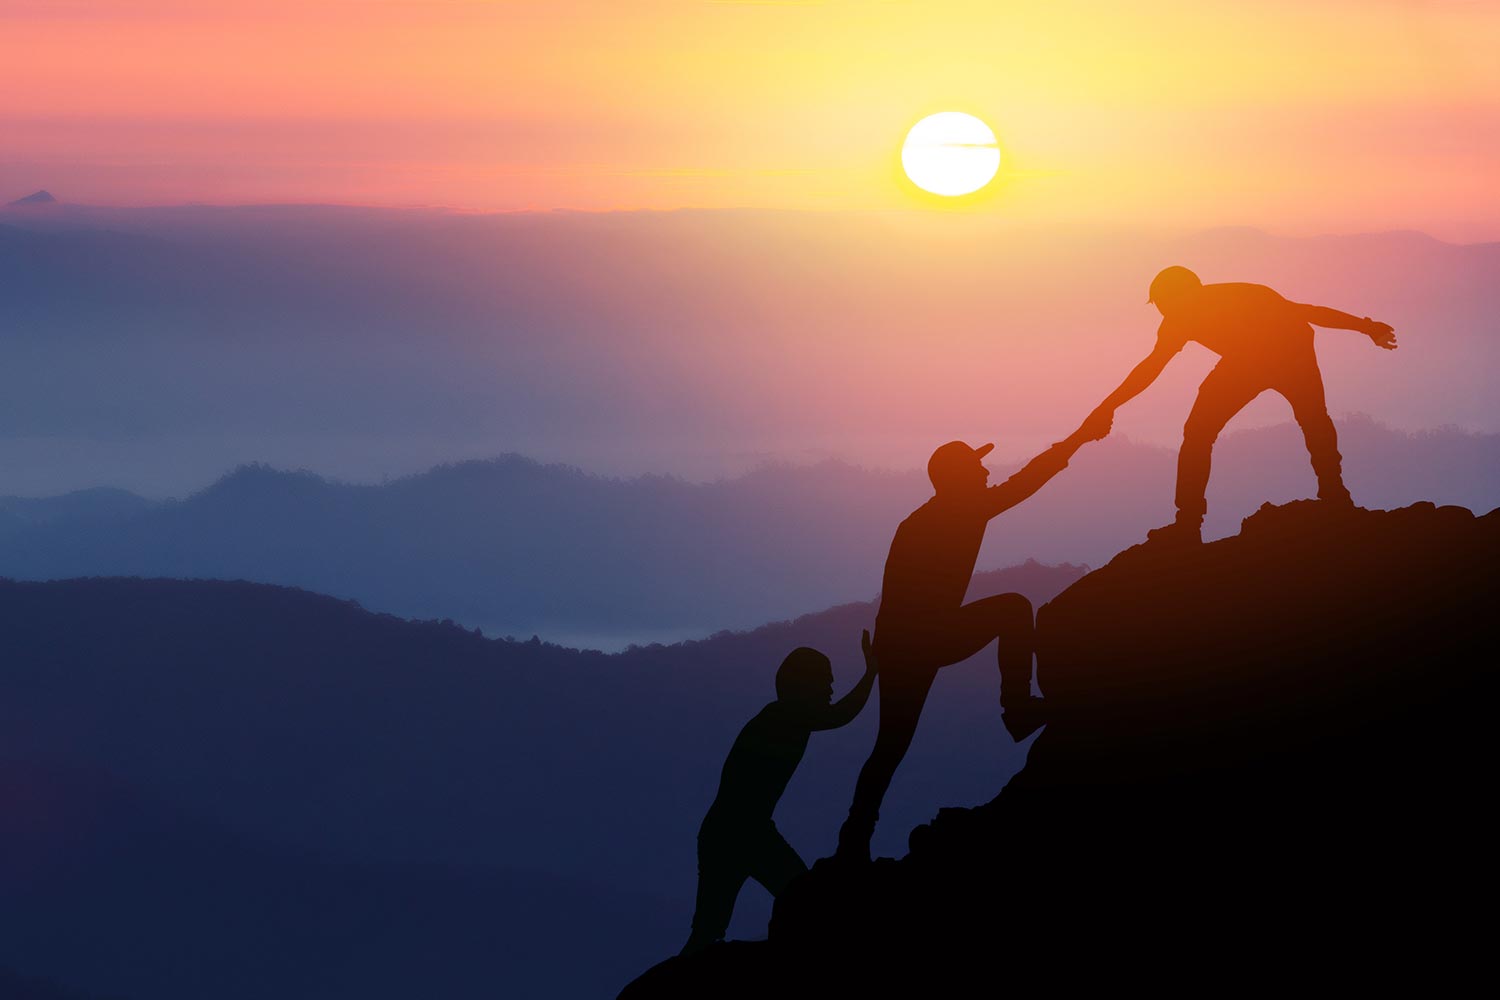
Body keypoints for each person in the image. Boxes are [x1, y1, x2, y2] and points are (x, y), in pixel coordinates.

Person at [836, 423, 1101, 862]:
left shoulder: (919, 520)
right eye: (977, 466)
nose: (985, 471)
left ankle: (853, 839)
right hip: (925, 638)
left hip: (902, 645)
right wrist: (1076, 441)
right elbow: (1027, 482)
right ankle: (1015, 708)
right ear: (958, 478)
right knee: (1013, 609)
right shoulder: (965, 510)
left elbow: (893, 595)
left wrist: (885, 654)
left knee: (890, 746)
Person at [1087, 266, 1398, 543]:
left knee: (1307, 419)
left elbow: (1306, 311)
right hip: (1259, 359)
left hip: (1288, 354)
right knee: (1205, 431)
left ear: (1186, 295)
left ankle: (1333, 495)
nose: (1164, 312)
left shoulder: (1242, 297)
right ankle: (1190, 524)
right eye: (1161, 306)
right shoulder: (1179, 320)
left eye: (1164, 303)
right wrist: (1109, 406)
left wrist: (1367, 327)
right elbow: (1151, 368)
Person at [681, 633, 879, 955]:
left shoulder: (783, 717)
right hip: (737, 835)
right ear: (804, 685)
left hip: (742, 832)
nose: (831, 690)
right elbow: (842, 714)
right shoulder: (785, 716)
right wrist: (871, 673)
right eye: (825, 682)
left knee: (716, 926)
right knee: (719, 926)